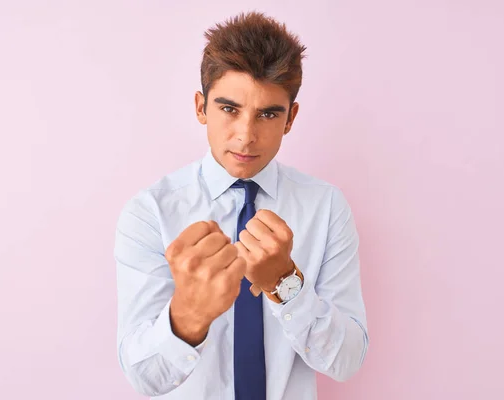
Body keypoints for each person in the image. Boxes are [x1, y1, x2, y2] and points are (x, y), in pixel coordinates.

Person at [114, 11, 369, 400]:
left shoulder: (326, 207)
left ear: (290, 118)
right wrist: (190, 314)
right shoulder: (150, 213)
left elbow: (347, 361)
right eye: (229, 109)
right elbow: (145, 378)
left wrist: (287, 284)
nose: (246, 136)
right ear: (201, 107)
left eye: (268, 114)